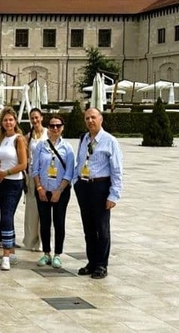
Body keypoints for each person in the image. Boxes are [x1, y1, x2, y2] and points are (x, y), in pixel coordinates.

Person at [74, 107, 123, 280]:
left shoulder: (110, 141)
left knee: (102, 229)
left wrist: (113, 195)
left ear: (100, 119)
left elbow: (117, 170)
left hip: (101, 187)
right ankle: (92, 262)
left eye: (93, 118)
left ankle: (102, 265)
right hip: (84, 187)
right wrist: (76, 182)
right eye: (87, 118)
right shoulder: (84, 139)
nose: (90, 121)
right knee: (88, 228)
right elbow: (79, 162)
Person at [33, 115, 75, 270]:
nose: (55, 128)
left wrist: (59, 191)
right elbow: (34, 169)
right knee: (44, 223)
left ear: (62, 127)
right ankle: (46, 252)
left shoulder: (67, 148)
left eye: (58, 126)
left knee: (59, 222)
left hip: (60, 191)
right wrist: (39, 188)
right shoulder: (41, 146)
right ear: (48, 128)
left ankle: (57, 254)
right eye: (52, 126)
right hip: (43, 190)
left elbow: (69, 172)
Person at [0, 107, 28, 271]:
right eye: (5, 120)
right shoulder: (2, 139)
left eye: (11, 120)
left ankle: (6, 254)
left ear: (15, 122)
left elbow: (23, 164)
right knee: (6, 217)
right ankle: (11, 252)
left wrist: (6, 173)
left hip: (13, 182)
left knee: (7, 217)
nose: (8, 123)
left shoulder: (18, 139)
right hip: (1, 182)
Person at [23, 108, 45, 252]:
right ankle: (32, 240)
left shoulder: (48, 133)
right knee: (31, 210)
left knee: (44, 210)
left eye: (36, 117)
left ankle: (44, 240)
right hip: (31, 176)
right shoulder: (28, 136)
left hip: (46, 176)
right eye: (32, 118)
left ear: (41, 118)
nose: (35, 120)